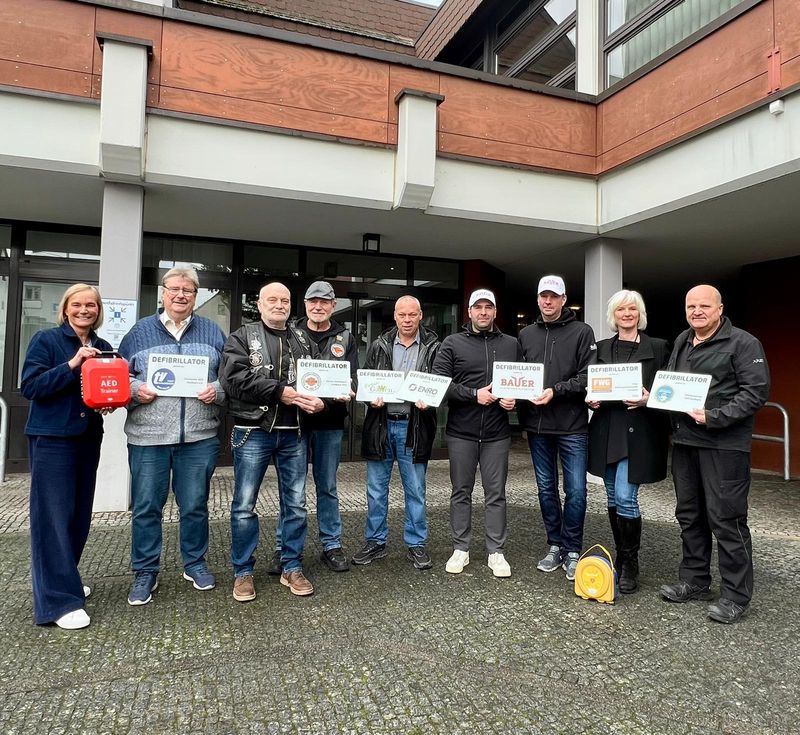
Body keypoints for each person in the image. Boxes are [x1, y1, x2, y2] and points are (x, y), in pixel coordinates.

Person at [660, 284, 769, 624]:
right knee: (690, 515)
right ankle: (695, 580)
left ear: (720, 309)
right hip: (685, 443)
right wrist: (657, 396)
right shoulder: (683, 340)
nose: (697, 311)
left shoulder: (743, 343)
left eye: (704, 306)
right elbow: (675, 384)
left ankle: (736, 596)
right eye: (691, 306)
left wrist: (715, 416)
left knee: (727, 519)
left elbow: (756, 392)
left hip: (724, 446)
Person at [119, 267, 226, 606]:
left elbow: (230, 377)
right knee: (147, 507)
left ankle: (194, 563)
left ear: (196, 295)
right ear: (163, 293)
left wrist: (217, 390)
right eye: (175, 289)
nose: (181, 295)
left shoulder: (212, 331)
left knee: (194, 505)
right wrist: (136, 390)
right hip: (148, 437)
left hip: (198, 436)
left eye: (188, 290)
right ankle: (145, 571)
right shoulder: (139, 332)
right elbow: (119, 376)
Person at [220, 281, 326, 601]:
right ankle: (243, 572)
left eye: (285, 300)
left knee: (295, 504)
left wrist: (323, 401)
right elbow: (233, 379)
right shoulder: (242, 336)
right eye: (273, 300)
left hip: (295, 432)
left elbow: (319, 379)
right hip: (253, 430)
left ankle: (291, 566)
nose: (280, 305)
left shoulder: (303, 339)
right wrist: (280, 392)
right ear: (259, 304)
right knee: (244, 505)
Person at [21, 284, 113, 629]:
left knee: (78, 516)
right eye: (77, 304)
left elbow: (101, 387)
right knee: (53, 519)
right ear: (65, 309)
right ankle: (57, 603)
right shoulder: (46, 340)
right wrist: (74, 363)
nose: (84, 310)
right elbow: (31, 387)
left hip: (87, 437)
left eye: (91, 305)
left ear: (98, 311)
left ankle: (65, 581)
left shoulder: (103, 346)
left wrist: (107, 402)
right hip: (52, 439)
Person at [270, 280, 357, 573]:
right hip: (293, 422)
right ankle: (284, 548)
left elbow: (352, 379)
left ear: (333, 305)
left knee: (327, 486)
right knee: (291, 488)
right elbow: (281, 375)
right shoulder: (289, 333)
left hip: (330, 422)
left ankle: (331, 545)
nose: (318, 307)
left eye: (324, 302)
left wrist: (329, 402)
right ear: (305, 304)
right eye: (313, 301)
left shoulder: (346, 338)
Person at [432, 289, 521, 578]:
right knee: (461, 491)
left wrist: (515, 399)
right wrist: (473, 394)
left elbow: (524, 381)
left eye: (488, 307)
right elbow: (440, 383)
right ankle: (461, 548)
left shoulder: (511, 344)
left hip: (497, 432)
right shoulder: (452, 343)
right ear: (469, 311)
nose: (483, 312)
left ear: (495, 312)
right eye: (478, 307)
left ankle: (496, 551)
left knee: (496, 493)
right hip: (462, 431)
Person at [587, 290, 670, 593]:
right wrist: (590, 398)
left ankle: (630, 563)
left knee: (625, 496)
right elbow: (591, 383)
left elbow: (668, 389)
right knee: (612, 497)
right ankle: (621, 557)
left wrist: (650, 399)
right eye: (621, 309)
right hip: (607, 429)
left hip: (639, 432)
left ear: (640, 314)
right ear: (614, 314)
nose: (627, 314)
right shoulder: (601, 347)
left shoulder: (658, 347)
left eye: (632, 309)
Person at [518, 275, 596, 582]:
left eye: (554, 296)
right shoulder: (526, 334)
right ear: (538, 299)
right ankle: (555, 544)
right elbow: (519, 375)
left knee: (575, 490)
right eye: (543, 296)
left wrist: (556, 390)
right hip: (538, 426)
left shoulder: (582, 332)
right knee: (545, 488)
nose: (548, 301)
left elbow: (588, 376)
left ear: (564, 300)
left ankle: (572, 548)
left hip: (572, 425)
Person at [352, 295, 440, 570]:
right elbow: (365, 381)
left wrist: (432, 400)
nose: (407, 320)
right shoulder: (380, 344)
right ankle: (375, 542)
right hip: (381, 424)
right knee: (376, 489)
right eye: (402, 315)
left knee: (415, 489)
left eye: (412, 314)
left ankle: (416, 544)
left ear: (420, 315)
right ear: (395, 316)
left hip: (414, 426)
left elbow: (441, 383)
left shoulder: (433, 346)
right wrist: (370, 399)